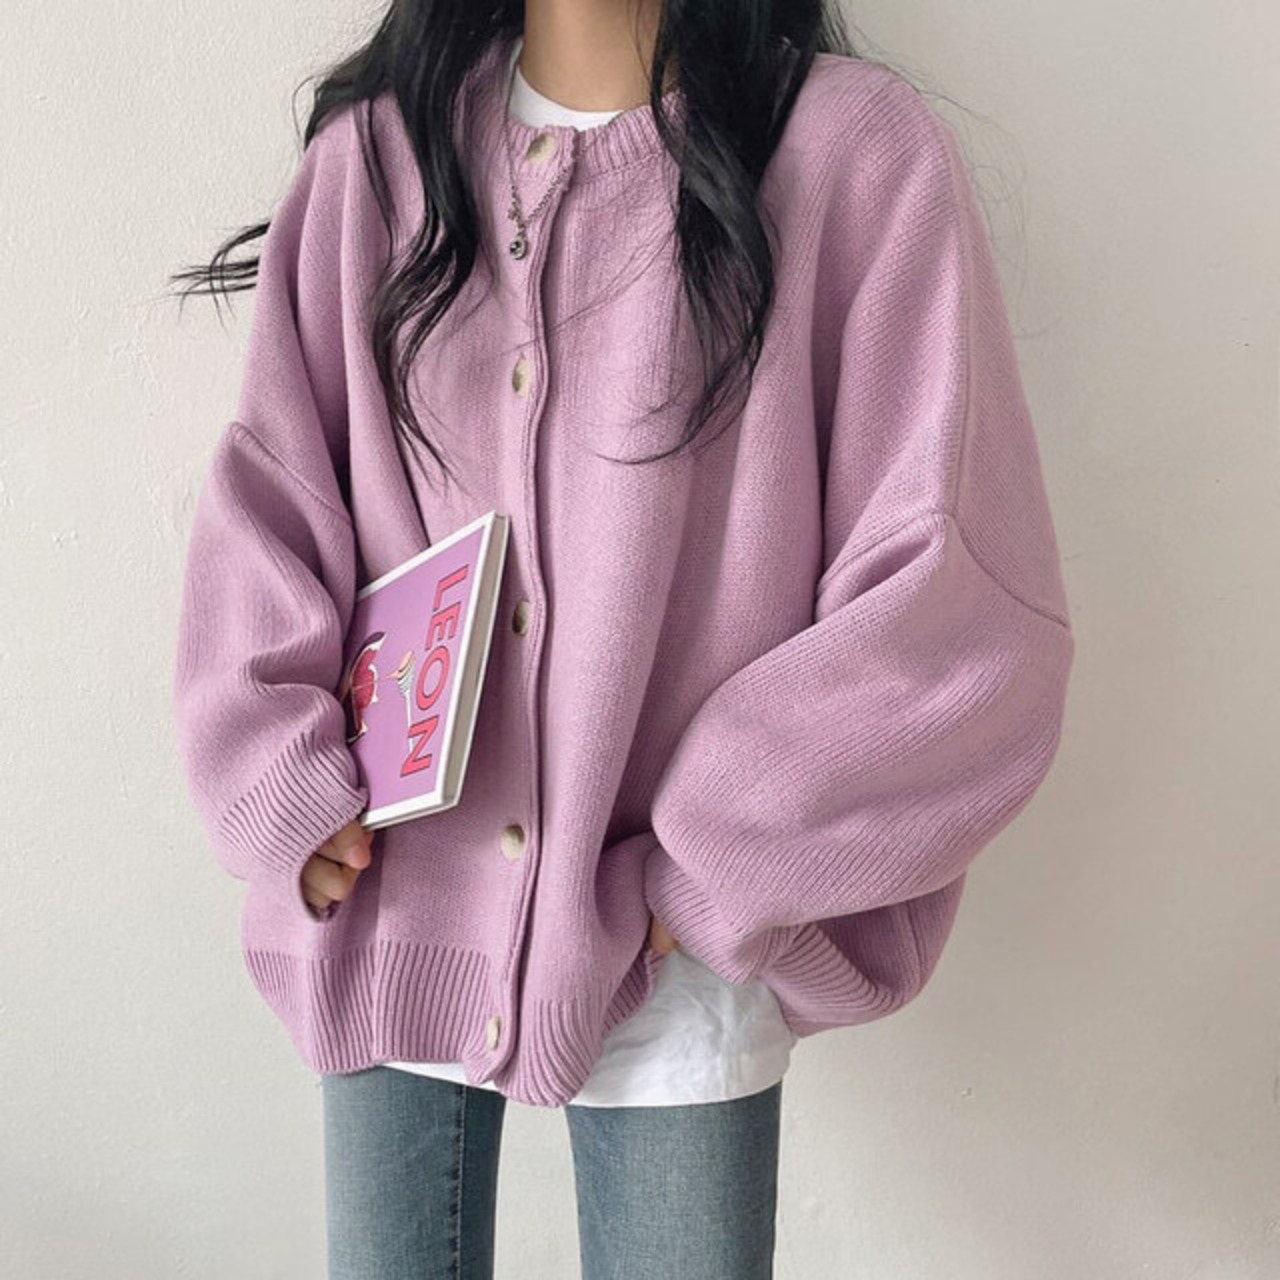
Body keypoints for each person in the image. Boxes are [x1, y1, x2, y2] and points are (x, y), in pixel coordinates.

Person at [169, 3, 1075, 1277]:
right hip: (386, 899)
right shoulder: (374, 167)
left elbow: (954, 605)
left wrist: (718, 854)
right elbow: (267, 512)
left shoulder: (844, 155)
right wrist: (280, 781)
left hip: (679, 955)